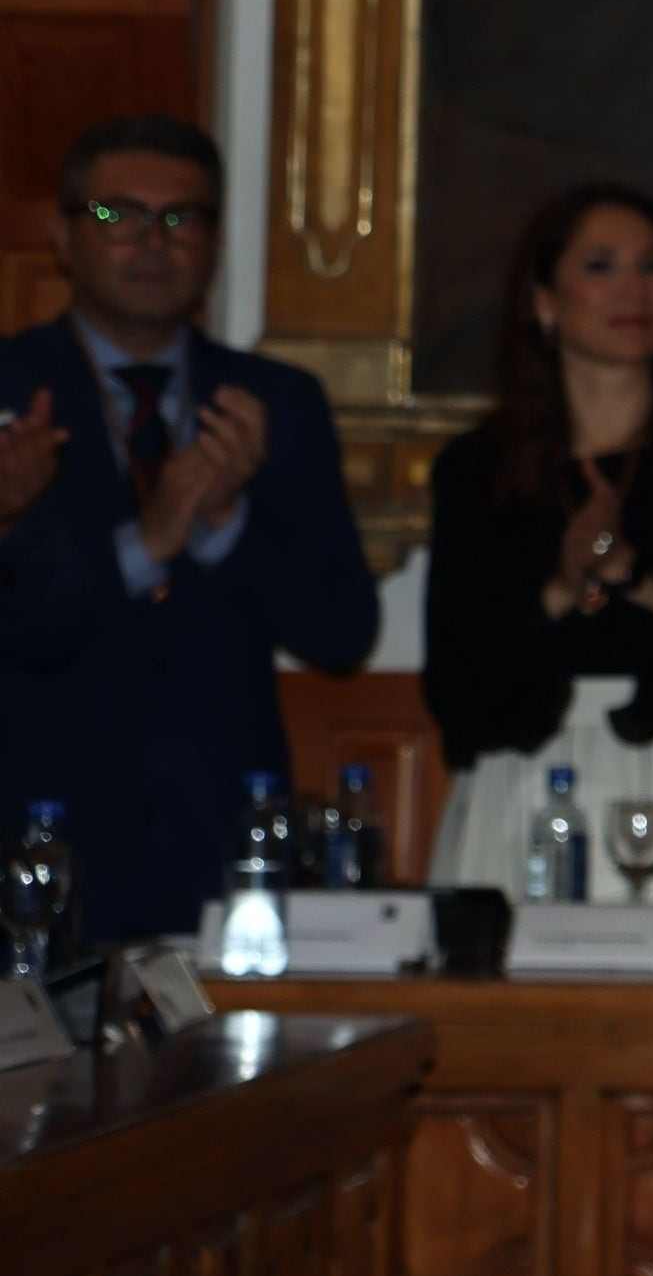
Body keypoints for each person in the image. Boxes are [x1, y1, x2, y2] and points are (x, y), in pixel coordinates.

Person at [0, 115, 376, 939]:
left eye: (183, 219)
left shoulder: (275, 403)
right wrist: (144, 544)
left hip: (223, 852)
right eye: (117, 216)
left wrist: (224, 525)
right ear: (63, 237)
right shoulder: (10, 392)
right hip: (35, 849)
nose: (152, 241)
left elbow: (343, 631)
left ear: (213, 244)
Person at [422, 186, 653, 969]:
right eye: (602, 267)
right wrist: (560, 587)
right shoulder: (476, 469)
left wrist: (634, 575)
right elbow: (457, 691)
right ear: (545, 302)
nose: (634, 291)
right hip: (517, 785)